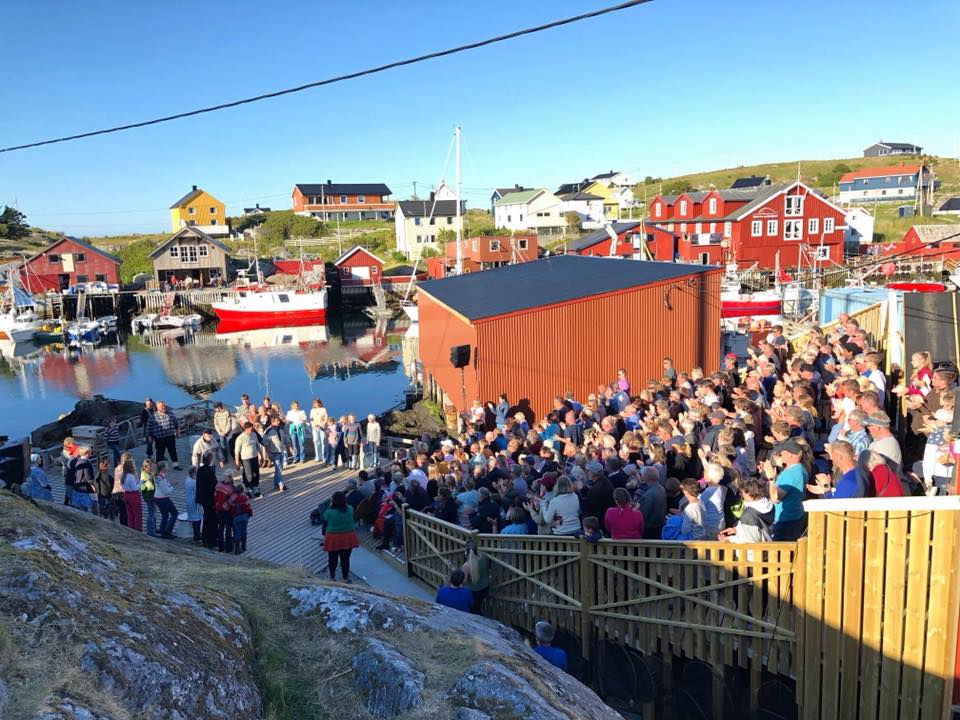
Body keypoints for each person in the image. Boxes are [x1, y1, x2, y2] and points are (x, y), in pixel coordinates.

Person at [762, 439, 808, 542]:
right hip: (796, 515)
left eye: (782, 454)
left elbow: (775, 498)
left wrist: (771, 478)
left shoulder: (791, 474)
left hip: (786, 520)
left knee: (781, 553)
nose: (779, 456)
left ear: (791, 455)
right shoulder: (800, 468)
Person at [718, 478, 774, 543]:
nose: (740, 494)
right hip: (768, 547)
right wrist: (736, 530)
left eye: (742, 492)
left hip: (752, 552)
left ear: (748, 494)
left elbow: (751, 541)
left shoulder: (749, 514)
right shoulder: (768, 506)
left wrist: (730, 539)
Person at [323, 491, 360, 582]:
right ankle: (345, 578)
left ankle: (332, 577)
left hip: (333, 538)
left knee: (332, 558)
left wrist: (330, 505)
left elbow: (325, 518)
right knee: (345, 559)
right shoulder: (350, 509)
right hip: (348, 537)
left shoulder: (329, 512)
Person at [147, 401, 181, 470]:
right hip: (159, 438)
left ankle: (176, 465)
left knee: (173, 451)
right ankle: (159, 468)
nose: (163, 407)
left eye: (164, 406)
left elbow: (176, 423)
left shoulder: (170, 413)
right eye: (161, 406)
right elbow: (148, 428)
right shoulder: (153, 416)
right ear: (157, 407)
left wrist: (178, 432)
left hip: (170, 436)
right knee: (160, 453)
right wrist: (149, 437)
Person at [636, 466, 667, 539]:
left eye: (641, 475)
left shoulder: (648, 495)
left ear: (645, 477)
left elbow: (641, 515)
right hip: (659, 526)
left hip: (649, 529)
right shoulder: (661, 488)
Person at [196, 451, 219, 548]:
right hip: (210, 499)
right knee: (213, 520)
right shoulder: (210, 471)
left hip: (202, 498)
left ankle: (205, 538)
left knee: (206, 518)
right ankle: (212, 540)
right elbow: (215, 485)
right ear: (210, 460)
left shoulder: (199, 470)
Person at [462, 540, 491, 614]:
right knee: (478, 606)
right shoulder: (483, 557)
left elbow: (463, 581)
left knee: (474, 609)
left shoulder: (466, 566)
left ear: (466, 551)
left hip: (473, 591)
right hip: (485, 587)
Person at [235, 420, 263, 497]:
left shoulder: (254, 434)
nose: (252, 429)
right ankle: (248, 489)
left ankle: (256, 488)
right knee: (249, 474)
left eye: (252, 428)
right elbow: (237, 451)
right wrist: (237, 463)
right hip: (245, 459)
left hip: (255, 457)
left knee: (256, 473)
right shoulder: (240, 438)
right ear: (246, 429)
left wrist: (262, 457)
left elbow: (258, 446)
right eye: (251, 428)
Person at [263, 416, 289, 492]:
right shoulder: (268, 431)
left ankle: (275, 484)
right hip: (274, 452)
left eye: (279, 421)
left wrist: (288, 446)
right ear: (272, 422)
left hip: (281, 451)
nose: (279, 422)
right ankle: (281, 484)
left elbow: (284, 438)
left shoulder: (280, 430)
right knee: (279, 468)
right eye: (277, 421)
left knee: (279, 469)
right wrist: (269, 453)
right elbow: (265, 442)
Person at [153, 462, 178, 539]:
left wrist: (170, 483)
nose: (168, 467)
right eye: (167, 466)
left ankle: (162, 529)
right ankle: (167, 531)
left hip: (157, 498)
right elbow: (167, 491)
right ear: (163, 468)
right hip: (162, 498)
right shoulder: (161, 478)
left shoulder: (158, 476)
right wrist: (173, 486)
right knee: (175, 513)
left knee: (165, 515)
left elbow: (164, 486)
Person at [71, 447, 97, 513]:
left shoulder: (78, 461)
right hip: (85, 487)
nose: (91, 453)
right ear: (87, 453)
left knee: (81, 505)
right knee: (93, 503)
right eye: (90, 452)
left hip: (77, 485)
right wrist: (93, 486)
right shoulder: (86, 463)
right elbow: (88, 477)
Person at [215, 474, 237, 552]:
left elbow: (215, 496)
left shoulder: (218, 485)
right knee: (228, 529)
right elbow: (232, 501)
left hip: (218, 508)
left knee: (220, 528)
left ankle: (220, 546)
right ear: (231, 478)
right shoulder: (231, 488)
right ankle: (228, 547)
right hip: (227, 510)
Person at [120, 457, 142, 532]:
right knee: (137, 514)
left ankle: (131, 529)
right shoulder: (131, 476)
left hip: (126, 494)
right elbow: (135, 488)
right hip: (134, 496)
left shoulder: (123, 475)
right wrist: (141, 482)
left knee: (130, 514)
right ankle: (138, 530)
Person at [231, 482, 253, 554]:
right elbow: (248, 508)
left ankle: (237, 549)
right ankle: (243, 547)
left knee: (237, 532)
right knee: (244, 531)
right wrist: (250, 514)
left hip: (236, 518)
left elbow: (231, 509)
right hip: (244, 517)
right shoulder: (245, 498)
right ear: (243, 490)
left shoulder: (233, 499)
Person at [183, 466, 203, 542]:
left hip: (188, 500)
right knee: (197, 518)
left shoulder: (187, 479)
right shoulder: (194, 482)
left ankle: (196, 534)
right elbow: (197, 492)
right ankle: (197, 535)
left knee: (194, 517)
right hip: (194, 501)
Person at [310, 399, 329, 464]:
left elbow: (326, 418)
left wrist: (322, 424)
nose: (317, 404)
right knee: (316, 442)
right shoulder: (312, 410)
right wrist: (314, 424)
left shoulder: (323, 409)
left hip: (322, 427)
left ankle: (324, 457)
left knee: (323, 442)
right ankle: (318, 457)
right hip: (315, 428)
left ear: (320, 403)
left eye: (318, 403)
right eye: (315, 403)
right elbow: (311, 418)